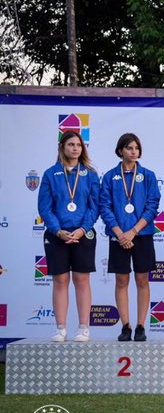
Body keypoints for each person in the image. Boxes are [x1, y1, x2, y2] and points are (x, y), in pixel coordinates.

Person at [38, 131, 101, 342]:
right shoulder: (50, 174)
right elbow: (45, 208)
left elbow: (95, 206)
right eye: (71, 144)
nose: (75, 148)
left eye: (78, 145)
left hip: (83, 234)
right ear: (62, 147)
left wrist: (83, 229)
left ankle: (83, 327)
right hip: (58, 235)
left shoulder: (90, 175)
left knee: (82, 280)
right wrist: (58, 231)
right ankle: (60, 327)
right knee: (60, 280)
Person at [100, 133, 161, 342]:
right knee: (121, 279)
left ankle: (141, 325)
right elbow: (104, 206)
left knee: (142, 279)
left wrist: (133, 231)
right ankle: (125, 326)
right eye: (129, 148)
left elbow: (153, 205)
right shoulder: (109, 176)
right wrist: (119, 233)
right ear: (120, 151)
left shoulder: (148, 176)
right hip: (118, 236)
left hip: (141, 234)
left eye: (136, 148)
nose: (133, 151)